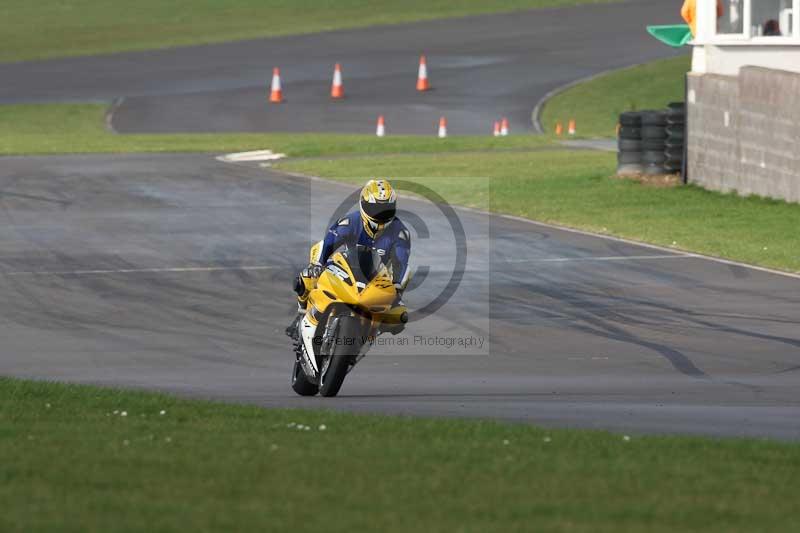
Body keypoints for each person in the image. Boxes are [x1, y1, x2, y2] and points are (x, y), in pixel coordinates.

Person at [286, 179, 411, 338]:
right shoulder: (351, 221)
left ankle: (368, 334)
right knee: (306, 278)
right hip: (343, 268)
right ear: (363, 204)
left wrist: (397, 287)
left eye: (386, 210)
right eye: (375, 208)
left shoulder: (399, 232)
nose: (380, 214)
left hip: (375, 279)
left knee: (400, 317)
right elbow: (328, 244)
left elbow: (402, 262)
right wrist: (317, 264)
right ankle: (301, 315)